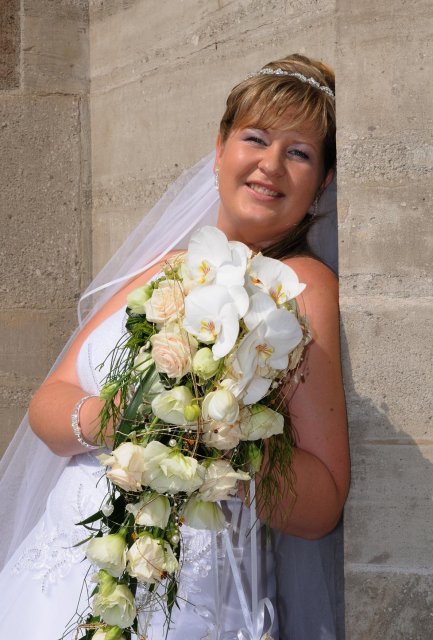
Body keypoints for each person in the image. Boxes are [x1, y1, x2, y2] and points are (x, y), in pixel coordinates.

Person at [0, 53, 349, 639]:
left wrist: (224, 440)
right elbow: (47, 404)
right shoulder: (161, 270)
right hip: (57, 574)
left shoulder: (300, 287)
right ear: (219, 150)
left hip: (184, 603)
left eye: (299, 153)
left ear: (323, 181)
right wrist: (119, 418)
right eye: (256, 139)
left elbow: (322, 505)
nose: (270, 165)